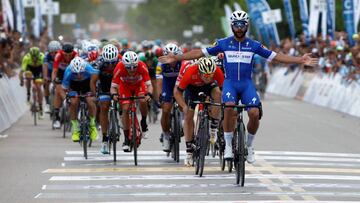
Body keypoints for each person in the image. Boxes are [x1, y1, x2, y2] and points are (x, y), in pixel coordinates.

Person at [159, 10, 318, 164]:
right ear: (232, 26)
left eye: (242, 25)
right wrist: (177, 57)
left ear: (247, 26)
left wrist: (299, 60)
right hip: (230, 84)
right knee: (228, 107)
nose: (239, 28)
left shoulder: (254, 45)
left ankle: (249, 146)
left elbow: (276, 57)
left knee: (255, 113)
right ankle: (228, 145)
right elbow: (198, 53)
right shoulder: (223, 43)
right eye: (236, 25)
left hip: (247, 84)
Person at [174, 57, 224, 166]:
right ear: (199, 72)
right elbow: (177, 93)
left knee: (218, 94)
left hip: (209, 87)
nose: (208, 77)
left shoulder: (216, 72)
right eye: (206, 75)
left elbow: (224, 90)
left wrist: (218, 107)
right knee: (188, 115)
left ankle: (213, 127)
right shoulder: (190, 71)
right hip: (192, 87)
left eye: (211, 75)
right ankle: (189, 152)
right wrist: (184, 106)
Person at [110, 51, 153, 152]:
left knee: (143, 101)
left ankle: (143, 122)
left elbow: (149, 85)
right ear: (124, 65)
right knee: (125, 109)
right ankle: (126, 139)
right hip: (125, 87)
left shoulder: (142, 66)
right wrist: (114, 95)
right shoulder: (119, 67)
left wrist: (149, 94)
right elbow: (113, 87)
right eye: (129, 67)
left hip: (139, 85)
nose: (132, 70)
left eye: (134, 67)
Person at [90, 44, 120, 154]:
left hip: (118, 84)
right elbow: (93, 82)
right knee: (104, 107)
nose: (111, 65)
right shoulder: (99, 62)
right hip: (104, 85)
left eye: (113, 62)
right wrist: (95, 96)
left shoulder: (121, 60)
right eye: (108, 63)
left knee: (124, 101)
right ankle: (104, 139)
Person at [156, 43, 186, 152]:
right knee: (166, 110)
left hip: (180, 85)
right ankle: (165, 135)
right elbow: (159, 82)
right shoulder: (161, 64)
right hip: (167, 85)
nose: (172, 60)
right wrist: (160, 95)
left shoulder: (182, 62)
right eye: (169, 57)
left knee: (184, 106)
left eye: (174, 57)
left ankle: (182, 122)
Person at [62, 57, 99, 142]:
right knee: (74, 102)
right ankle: (75, 129)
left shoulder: (89, 68)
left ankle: (92, 125)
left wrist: (94, 92)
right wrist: (69, 95)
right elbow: (65, 88)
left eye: (81, 73)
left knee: (90, 101)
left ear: (84, 69)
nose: (78, 76)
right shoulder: (68, 71)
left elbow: (95, 81)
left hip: (87, 84)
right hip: (74, 86)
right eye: (75, 74)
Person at [52, 43, 77, 129]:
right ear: (62, 52)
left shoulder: (76, 55)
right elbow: (54, 71)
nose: (68, 57)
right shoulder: (58, 55)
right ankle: (57, 117)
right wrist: (54, 80)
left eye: (70, 55)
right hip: (60, 73)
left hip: (71, 73)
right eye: (65, 55)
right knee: (58, 89)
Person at [20, 47, 45, 118]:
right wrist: (21, 80)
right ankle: (28, 93)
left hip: (38, 70)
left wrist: (44, 79)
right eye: (33, 58)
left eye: (36, 58)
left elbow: (44, 70)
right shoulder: (26, 58)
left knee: (39, 87)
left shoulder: (42, 57)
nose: (34, 59)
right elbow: (21, 72)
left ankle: (40, 107)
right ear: (30, 55)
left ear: (38, 55)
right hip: (29, 69)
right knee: (28, 74)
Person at [43, 40, 62, 113]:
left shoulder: (61, 55)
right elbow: (45, 66)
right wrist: (45, 77)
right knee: (46, 83)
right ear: (49, 52)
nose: (54, 54)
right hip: (49, 71)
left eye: (56, 52)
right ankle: (47, 103)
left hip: (58, 71)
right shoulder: (46, 56)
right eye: (52, 52)